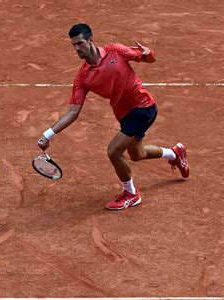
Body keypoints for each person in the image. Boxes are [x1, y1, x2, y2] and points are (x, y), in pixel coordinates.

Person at [37, 23, 189, 210]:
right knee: (137, 154)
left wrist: (149, 53)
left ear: (90, 40)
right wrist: (47, 134)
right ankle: (175, 153)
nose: (77, 48)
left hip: (143, 107)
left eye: (80, 43)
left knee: (114, 151)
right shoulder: (82, 77)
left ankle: (131, 194)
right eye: (74, 45)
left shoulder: (115, 51)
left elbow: (148, 59)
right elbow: (73, 112)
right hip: (124, 116)